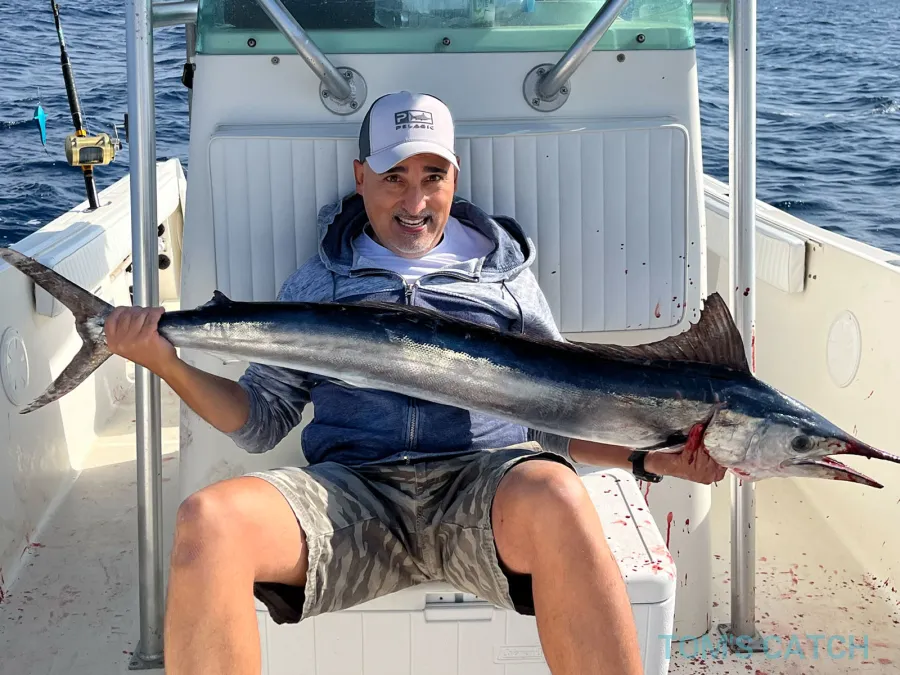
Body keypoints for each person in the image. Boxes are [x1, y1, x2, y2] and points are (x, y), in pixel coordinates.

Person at [106, 91, 726, 675]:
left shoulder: (506, 282)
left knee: (560, 493)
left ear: (455, 177)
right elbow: (261, 422)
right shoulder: (319, 283)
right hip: (354, 497)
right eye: (393, 177)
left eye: (433, 177)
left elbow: (554, 417)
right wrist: (166, 361)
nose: (415, 201)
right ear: (360, 178)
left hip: (482, 492)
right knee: (207, 521)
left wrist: (651, 459)